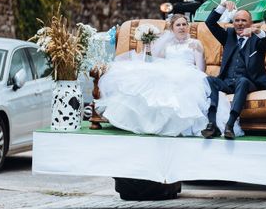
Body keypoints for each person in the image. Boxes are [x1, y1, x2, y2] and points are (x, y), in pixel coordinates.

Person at [96, 14, 241, 137]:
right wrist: (147, 47)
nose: (182, 27)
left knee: (180, 86)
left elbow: (200, 68)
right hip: (166, 69)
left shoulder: (195, 43)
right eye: (178, 25)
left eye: (184, 24)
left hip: (188, 72)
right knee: (148, 80)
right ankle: (146, 121)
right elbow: (154, 61)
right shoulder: (166, 44)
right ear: (172, 28)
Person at [202, 0, 266, 140]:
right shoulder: (228, 36)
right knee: (209, 80)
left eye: (243, 20)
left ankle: (230, 125)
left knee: (242, 81)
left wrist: (257, 30)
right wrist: (223, 6)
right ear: (233, 22)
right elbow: (210, 23)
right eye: (236, 20)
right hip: (227, 81)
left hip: (249, 82)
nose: (240, 23)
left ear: (250, 22)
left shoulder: (257, 39)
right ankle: (212, 124)